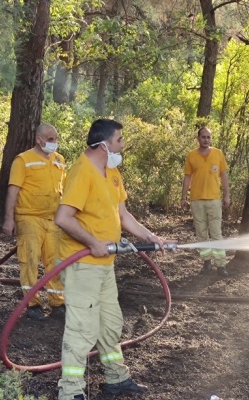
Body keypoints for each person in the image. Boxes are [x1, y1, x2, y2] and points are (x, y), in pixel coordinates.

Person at [54, 118, 173, 400]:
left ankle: (115, 378)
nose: (123, 146)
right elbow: (63, 218)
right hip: (82, 265)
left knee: (110, 323)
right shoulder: (82, 171)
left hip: (105, 265)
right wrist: (93, 243)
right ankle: (71, 392)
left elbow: (123, 215)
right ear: (104, 145)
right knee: (82, 329)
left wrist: (152, 237)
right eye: (120, 141)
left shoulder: (112, 171)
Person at [3, 123, 66, 321]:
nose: (54, 143)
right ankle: (33, 303)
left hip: (53, 219)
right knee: (29, 258)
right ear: (39, 140)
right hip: (29, 217)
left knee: (55, 260)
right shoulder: (23, 160)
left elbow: (64, 191)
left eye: (56, 139)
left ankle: (57, 303)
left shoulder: (60, 161)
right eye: (50, 139)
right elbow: (13, 191)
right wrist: (8, 219)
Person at [181, 127, 230, 276]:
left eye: (208, 137)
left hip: (214, 200)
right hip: (196, 200)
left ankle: (221, 266)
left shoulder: (218, 153)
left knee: (216, 233)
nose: (206, 140)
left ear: (211, 138)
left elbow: (224, 175)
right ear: (198, 138)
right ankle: (206, 262)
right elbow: (187, 177)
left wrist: (227, 195)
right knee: (201, 233)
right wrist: (183, 197)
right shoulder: (191, 155)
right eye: (203, 137)